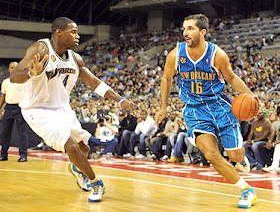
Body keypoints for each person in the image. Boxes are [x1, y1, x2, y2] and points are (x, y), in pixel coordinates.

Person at [10, 17, 138, 203]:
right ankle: (96, 183)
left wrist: (121, 100)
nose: (78, 36)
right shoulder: (41, 49)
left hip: (62, 108)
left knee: (83, 148)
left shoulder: (75, 59)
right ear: (58, 33)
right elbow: (14, 77)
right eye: (73, 32)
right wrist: (31, 73)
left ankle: (77, 169)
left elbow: (95, 83)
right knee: (70, 145)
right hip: (37, 109)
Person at [155, 14, 259, 208]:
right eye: (184, 28)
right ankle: (247, 190)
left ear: (203, 32)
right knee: (211, 155)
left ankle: (240, 158)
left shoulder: (216, 54)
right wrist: (163, 106)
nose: (185, 32)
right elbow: (166, 79)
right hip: (195, 111)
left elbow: (231, 77)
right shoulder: (175, 54)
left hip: (220, 107)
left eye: (190, 29)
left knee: (235, 155)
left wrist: (251, 96)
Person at [0, 62, 29, 162]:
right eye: (12, 67)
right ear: (9, 69)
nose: (13, 69)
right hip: (8, 108)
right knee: (4, 132)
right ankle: (3, 155)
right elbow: (3, 96)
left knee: (22, 133)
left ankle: (23, 155)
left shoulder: (24, 82)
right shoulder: (5, 82)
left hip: (20, 107)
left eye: (15, 68)